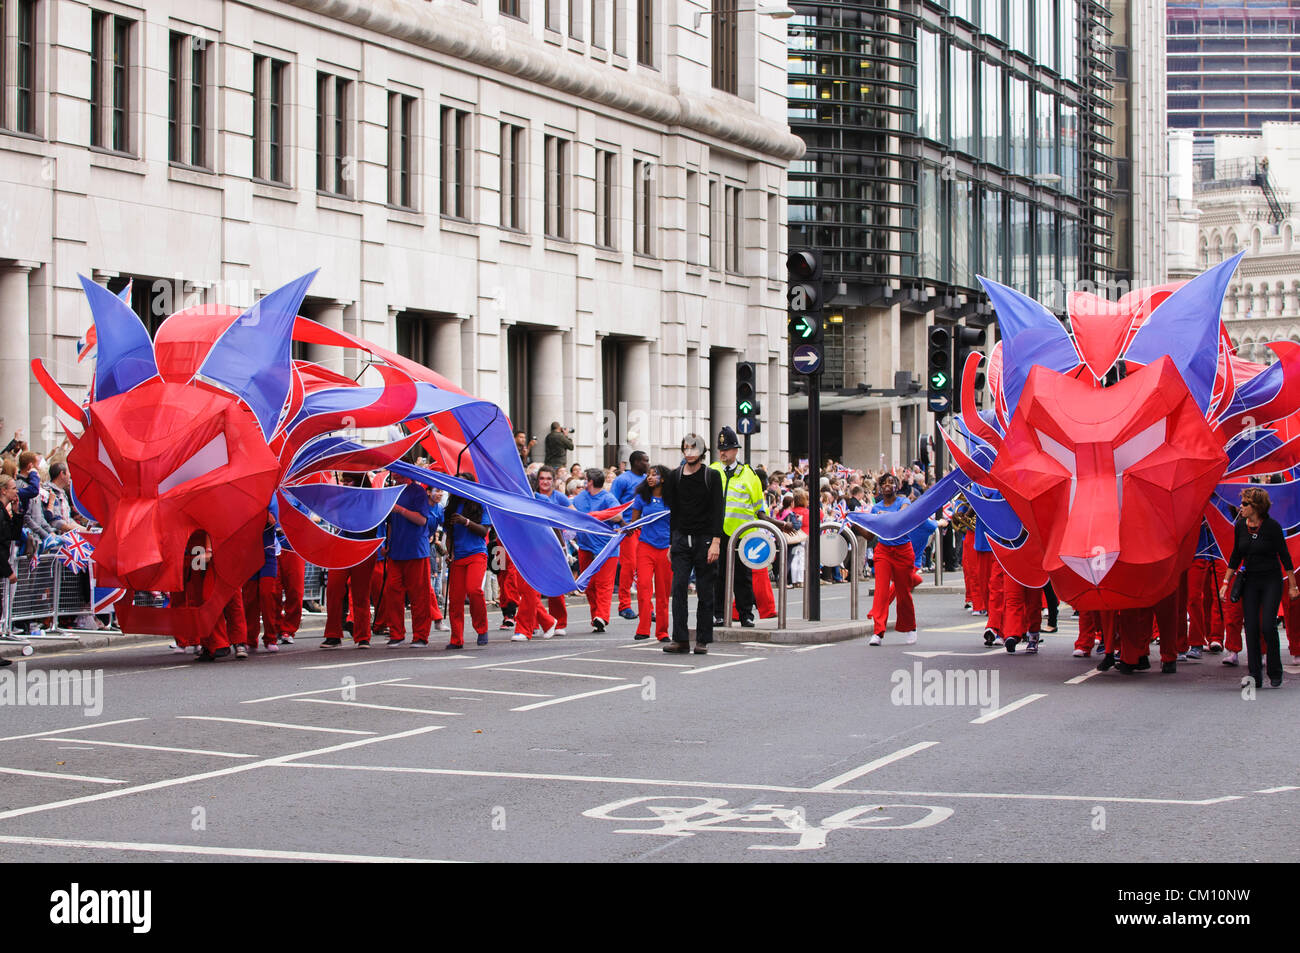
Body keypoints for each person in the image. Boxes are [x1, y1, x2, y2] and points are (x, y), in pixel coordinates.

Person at [710, 426, 790, 628]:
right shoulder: (713, 471)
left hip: (743, 533)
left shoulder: (749, 475)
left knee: (743, 577)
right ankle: (718, 613)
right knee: (718, 575)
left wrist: (779, 524)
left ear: (736, 450)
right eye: (721, 449)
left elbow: (758, 510)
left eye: (727, 449)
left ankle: (746, 614)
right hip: (718, 533)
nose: (723, 453)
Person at [1220, 486, 1295, 689]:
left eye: (1245, 504)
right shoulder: (1240, 527)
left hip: (1271, 580)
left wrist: (1293, 586)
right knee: (1251, 627)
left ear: (1257, 507)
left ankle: (1275, 671)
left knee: (1267, 626)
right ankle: (1254, 675)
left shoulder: (1272, 527)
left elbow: (1285, 556)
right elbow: (1236, 555)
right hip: (1250, 581)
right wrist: (1226, 582)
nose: (1240, 507)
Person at [662, 434, 723, 654]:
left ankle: (702, 640)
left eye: (693, 449)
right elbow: (674, 513)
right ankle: (680, 639)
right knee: (678, 589)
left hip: (705, 539)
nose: (689, 452)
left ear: (702, 451)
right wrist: (671, 543)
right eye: (686, 448)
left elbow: (719, 511)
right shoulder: (675, 476)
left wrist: (716, 542)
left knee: (705, 591)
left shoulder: (712, 476)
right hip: (680, 539)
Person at [382, 473, 436, 647]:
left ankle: (421, 635)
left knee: (419, 596)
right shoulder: (392, 491)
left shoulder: (418, 492)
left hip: (416, 551)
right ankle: (396, 633)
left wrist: (401, 510)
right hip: (396, 551)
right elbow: (389, 522)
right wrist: (388, 543)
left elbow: (422, 520)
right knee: (392, 593)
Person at [867, 473, 917, 645]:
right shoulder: (875, 507)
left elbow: (900, 518)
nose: (887, 485)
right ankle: (878, 632)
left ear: (897, 486)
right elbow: (869, 534)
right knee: (881, 592)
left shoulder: (904, 502)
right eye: (884, 483)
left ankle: (910, 627)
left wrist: (882, 515)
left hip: (903, 550)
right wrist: (855, 521)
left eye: (891, 482)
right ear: (880, 488)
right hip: (883, 551)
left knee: (903, 593)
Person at [445, 474, 492, 649]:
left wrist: (465, 522)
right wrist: (449, 553)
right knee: (455, 599)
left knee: (474, 590)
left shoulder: (480, 505)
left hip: (476, 554)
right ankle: (456, 639)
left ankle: (482, 628)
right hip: (458, 557)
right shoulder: (451, 507)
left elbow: (483, 531)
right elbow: (449, 534)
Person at [572, 468, 622, 632]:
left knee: (604, 584)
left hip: (607, 548)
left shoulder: (607, 497)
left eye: (585, 480)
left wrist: (595, 515)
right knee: (588, 584)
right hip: (585, 546)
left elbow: (618, 516)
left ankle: (602, 616)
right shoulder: (580, 498)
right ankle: (596, 617)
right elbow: (570, 511)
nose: (584, 482)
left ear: (590, 482)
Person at [625, 465, 671, 641]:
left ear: (663, 479)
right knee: (644, 588)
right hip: (645, 547)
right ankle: (643, 628)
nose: (650, 477)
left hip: (666, 549)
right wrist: (623, 529)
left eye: (655, 475)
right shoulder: (642, 498)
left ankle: (662, 631)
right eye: (649, 475)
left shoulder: (672, 499)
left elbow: (678, 524)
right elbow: (634, 523)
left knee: (663, 592)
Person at [610, 451, 649, 620]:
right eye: (645, 461)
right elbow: (612, 503)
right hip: (628, 529)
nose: (648, 463)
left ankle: (647, 607)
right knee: (629, 566)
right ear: (636, 462)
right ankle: (624, 605)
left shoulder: (649, 479)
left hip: (646, 528)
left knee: (646, 570)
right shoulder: (622, 480)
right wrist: (620, 524)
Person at [535, 465, 572, 635]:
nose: (545, 482)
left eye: (548, 479)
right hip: (534, 546)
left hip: (555, 546)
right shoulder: (532, 497)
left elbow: (574, 516)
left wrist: (565, 542)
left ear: (554, 481)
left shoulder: (560, 498)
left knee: (556, 585)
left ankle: (560, 623)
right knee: (532, 586)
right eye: (542, 478)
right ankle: (534, 623)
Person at [0, 476, 22, 667]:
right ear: (3, 491)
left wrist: (16, 513)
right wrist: (8, 571)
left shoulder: (5, 512)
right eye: (14, 488)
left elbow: (14, 536)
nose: (17, 491)